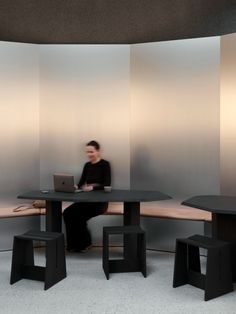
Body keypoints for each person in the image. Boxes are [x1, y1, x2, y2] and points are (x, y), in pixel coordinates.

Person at [63, 140, 111, 252]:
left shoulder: (105, 164)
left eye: (91, 152)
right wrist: (76, 186)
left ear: (98, 151)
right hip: (87, 200)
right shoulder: (87, 165)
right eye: (87, 152)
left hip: (99, 202)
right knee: (67, 213)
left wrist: (93, 187)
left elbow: (107, 184)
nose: (89, 154)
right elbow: (81, 182)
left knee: (78, 216)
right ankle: (72, 245)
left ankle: (84, 244)